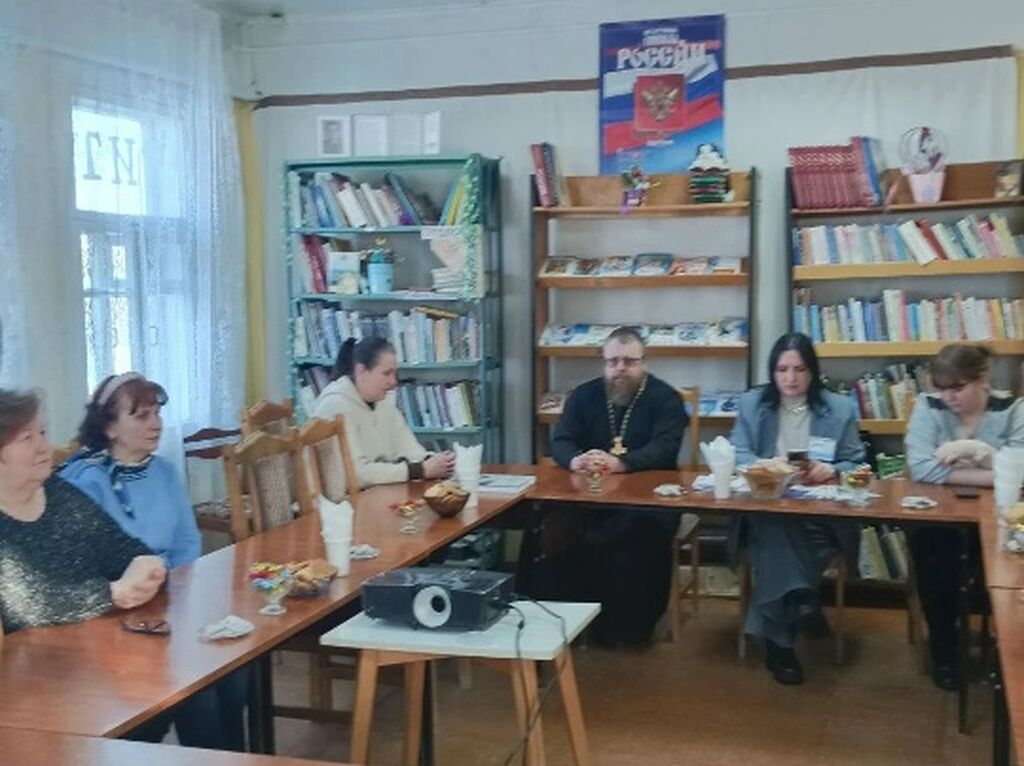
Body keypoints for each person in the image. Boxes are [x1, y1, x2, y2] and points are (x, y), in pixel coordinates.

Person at [60, 373, 247, 751]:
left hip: (167, 600)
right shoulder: (85, 481)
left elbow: (186, 540)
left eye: (157, 413)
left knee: (237, 668)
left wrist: (174, 588)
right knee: (200, 690)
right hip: (117, 617)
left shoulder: (163, 471)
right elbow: (89, 568)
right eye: (141, 416)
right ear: (110, 428)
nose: (156, 423)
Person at [730, 332, 865, 685]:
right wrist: (765, 466)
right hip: (766, 512)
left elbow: (857, 462)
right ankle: (795, 618)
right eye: (782, 369)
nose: (790, 378)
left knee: (784, 535)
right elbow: (738, 453)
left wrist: (831, 469)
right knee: (778, 526)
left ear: (813, 372)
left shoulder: (839, 408)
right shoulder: (753, 404)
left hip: (821, 517)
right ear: (772, 372)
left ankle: (786, 623)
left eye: (800, 369)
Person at [550, 326, 686, 646]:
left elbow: (665, 447)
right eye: (613, 362)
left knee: (636, 532)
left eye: (629, 361)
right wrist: (576, 460)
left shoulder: (665, 398)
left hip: (650, 500)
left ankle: (628, 628)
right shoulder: (583, 396)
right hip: (590, 496)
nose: (620, 369)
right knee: (552, 522)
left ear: (644, 363)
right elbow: (561, 441)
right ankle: (570, 620)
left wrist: (621, 463)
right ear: (604, 363)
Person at [905, 344, 1024, 690]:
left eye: (958, 388)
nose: (948, 397)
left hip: (999, 517)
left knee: (1004, 564)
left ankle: (1005, 651)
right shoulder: (929, 407)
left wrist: (976, 451)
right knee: (935, 559)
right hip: (939, 519)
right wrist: (994, 467)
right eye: (941, 388)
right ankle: (944, 650)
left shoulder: (1013, 410)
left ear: (982, 379)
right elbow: (921, 468)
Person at [0, 388, 165, 635]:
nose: (45, 447)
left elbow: (121, 548)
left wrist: (147, 568)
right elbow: (21, 606)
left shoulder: (58, 491)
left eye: (43, 433)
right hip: (30, 654)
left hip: (96, 639)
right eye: (26, 438)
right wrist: (112, 593)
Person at [314, 337, 454, 489]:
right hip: (348, 499)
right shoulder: (335, 405)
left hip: (379, 491)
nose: (393, 382)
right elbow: (356, 474)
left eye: (394, 374)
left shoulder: (383, 401)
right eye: (386, 373)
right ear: (361, 371)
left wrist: (436, 462)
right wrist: (420, 470)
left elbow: (408, 447)